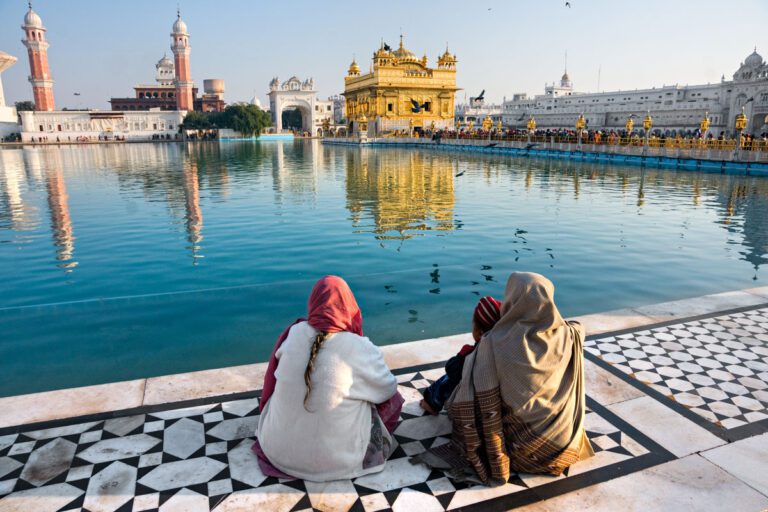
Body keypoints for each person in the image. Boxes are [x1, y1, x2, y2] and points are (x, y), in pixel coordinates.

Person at [413, 272, 594, 485]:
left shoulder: (494, 342)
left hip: (519, 452)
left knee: (472, 389)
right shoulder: (571, 335)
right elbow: (572, 325)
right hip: (563, 447)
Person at [256, 276, 404, 481]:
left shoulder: (294, 333)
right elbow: (388, 390)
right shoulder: (360, 347)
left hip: (276, 451)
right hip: (340, 463)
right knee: (386, 396)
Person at [420, 296, 502, 415]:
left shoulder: (469, 353)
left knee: (447, 379)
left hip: (470, 407)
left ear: (479, 333)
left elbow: (451, 369)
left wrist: (458, 358)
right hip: (496, 406)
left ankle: (431, 403)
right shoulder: (504, 351)